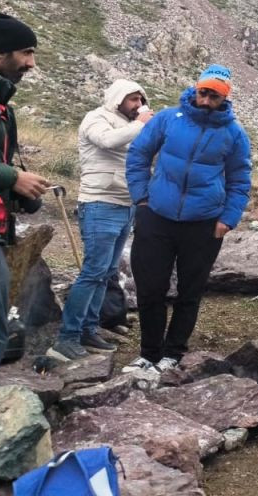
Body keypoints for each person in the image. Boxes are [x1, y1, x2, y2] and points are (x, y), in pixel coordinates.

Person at [124, 64, 252, 374]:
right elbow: (139, 154)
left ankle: (173, 353)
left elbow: (240, 177)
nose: (207, 100)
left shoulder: (234, 133)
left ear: (225, 99)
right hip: (156, 215)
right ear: (195, 89)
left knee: (189, 291)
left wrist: (228, 218)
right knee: (150, 287)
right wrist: (141, 198)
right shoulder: (169, 119)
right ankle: (149, 353)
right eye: (204, 92)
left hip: (203, 223)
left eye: (215, 96)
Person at [0, 13, 49, 391]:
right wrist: (13, 178)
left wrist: (16, 189)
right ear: (0, 53)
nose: (32, 63)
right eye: (27, 52)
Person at [49, 79, 154, 362]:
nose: (138, 105)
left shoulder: (131, 124)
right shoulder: (96, 119)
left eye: (140, 100)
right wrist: (143, 123)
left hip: (125, 205)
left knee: (106, 272)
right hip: (99, 205)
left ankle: (89, 328)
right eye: (133, 99)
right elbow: (108, 141)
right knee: (93, 272)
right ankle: (67, 337)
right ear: (118, 98)